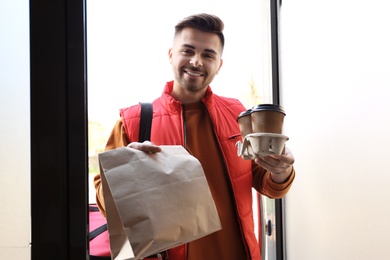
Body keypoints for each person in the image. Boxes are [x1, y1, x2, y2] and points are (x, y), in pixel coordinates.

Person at [94, 13, 295, 260]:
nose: (197, 61)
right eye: (188, 51)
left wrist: (280, 171)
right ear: (171, 55)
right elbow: (104, 202)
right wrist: (129, 173)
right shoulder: (133, 122)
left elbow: (267, 184)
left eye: (208, 54)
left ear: (219, 64)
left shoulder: (237, 114)